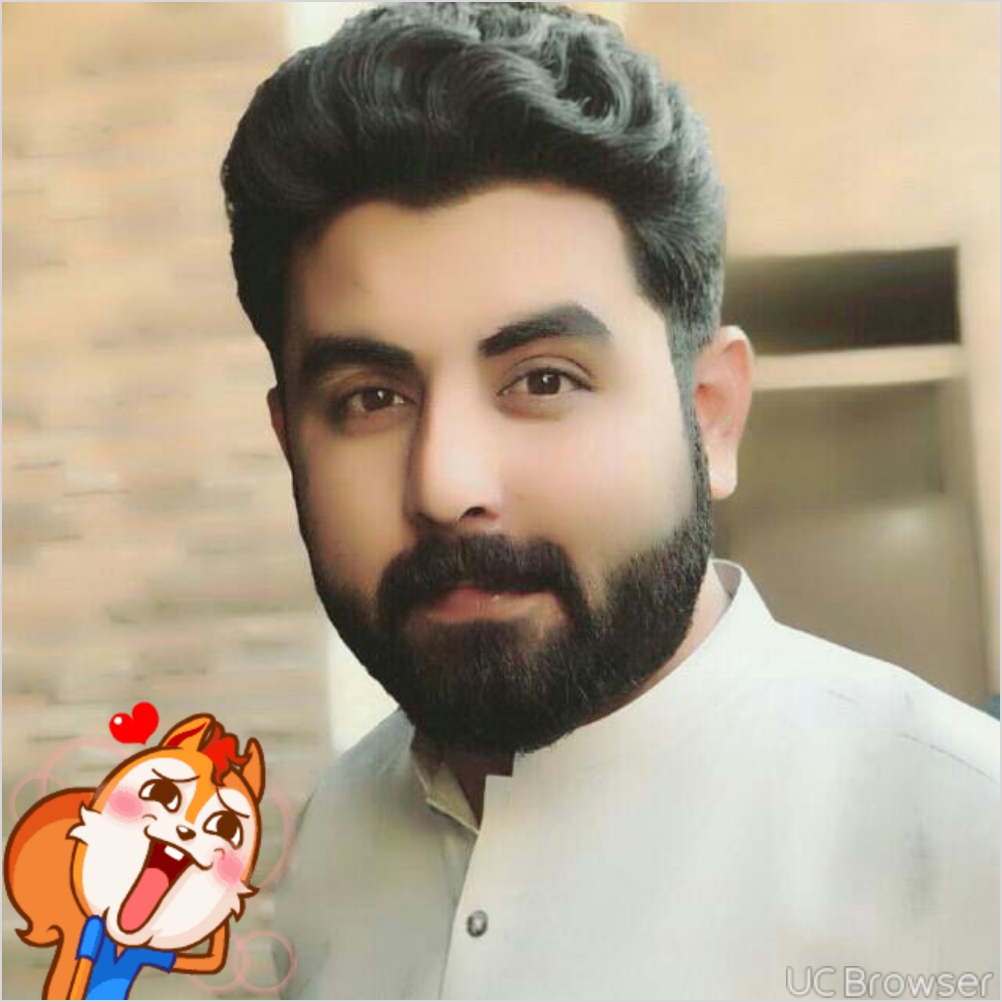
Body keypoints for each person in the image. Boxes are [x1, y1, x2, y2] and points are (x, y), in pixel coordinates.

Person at [220, 4, 999, 998]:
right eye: (370, 399)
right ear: (291, 443)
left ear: (711, 415)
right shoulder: (324, 854)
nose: (446, 485)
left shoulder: (969, 843)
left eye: (543, 380)